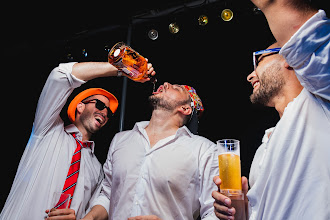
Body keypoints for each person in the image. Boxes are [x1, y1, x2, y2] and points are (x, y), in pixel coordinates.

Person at [0, 61, 156, 220]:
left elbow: (101, 205)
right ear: (80, 107)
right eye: (100, 105)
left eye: (109, 113)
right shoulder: (48, 131)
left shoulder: (96, 168)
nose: (104, 112)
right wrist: (123, 69)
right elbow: (60, 76)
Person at [213, 42, 330, 218]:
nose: (250, 76)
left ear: (290, 58)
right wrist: (238, 213)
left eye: (258, 62)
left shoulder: (317, 103)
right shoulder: (265, 145)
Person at [82, 82, 219, 220]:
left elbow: (214, 213)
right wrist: (91, 217)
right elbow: (108, 195)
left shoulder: (204, 150)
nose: (165, 84)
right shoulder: (120, 140)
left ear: (185, 108)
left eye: (177, 88)